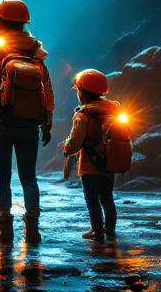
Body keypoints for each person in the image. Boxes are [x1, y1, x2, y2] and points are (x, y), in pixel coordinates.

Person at [0, 0, 53, 245]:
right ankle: (32, 229)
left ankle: (5, 230)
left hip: (0, 124)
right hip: (29, 125)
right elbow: (47, 92)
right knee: (29, 178)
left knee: (3, 177)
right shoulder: (36, 54)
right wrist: (46, 123)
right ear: (24, 24)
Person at [61, 69, 121, 241]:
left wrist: (66, 147)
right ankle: (109, 229)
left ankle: (97, 231)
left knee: (92, 200)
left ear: (82, 92)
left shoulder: (83, 114)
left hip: (89, 167)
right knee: (107, 198)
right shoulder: (113, 111)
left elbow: (75, 141)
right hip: (110, 163)